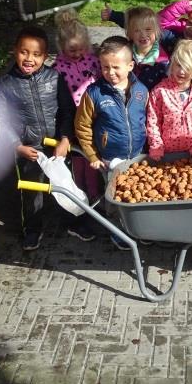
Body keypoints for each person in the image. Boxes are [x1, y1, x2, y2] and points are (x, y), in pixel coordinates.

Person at [0, 26, 76, 251]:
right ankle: (32, 229)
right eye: (24, 52)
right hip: (29, 149)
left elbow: (67, 111)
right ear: (15, 51)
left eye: (36, 54)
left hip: (57, 146)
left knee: (66, 184)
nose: (29, 58)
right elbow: (1, 121)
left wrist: (65, 138)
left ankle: (74, 220)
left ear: (45, 56)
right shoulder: (5, 85)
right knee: (32, 193)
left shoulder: (55, 78)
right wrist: (17, 146)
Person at [75, 36, 148, 250]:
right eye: (105, 67)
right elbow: (83, 126)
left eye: (116, 67)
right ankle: (119, 232)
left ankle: (140, 230)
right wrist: (92, 156)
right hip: (109, 158)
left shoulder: (141, 91)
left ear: (130, 65)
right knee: (114, 197)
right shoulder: (94, 93)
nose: (110, 72)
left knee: (139, 193)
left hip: (137, 156)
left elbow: (147, 119)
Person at [52, 8, 100, 240]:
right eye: (72, 50)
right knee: (81, 164)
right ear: (61, 47)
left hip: (96, 117)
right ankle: (83, 205)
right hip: (75, 121)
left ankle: (95, 201)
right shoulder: (58, 69)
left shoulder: (93, 60)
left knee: (95, 160)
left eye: (82, 48)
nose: (78, 54)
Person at [146, 40, 192, 161]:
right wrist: (156, 146)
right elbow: (153, 121)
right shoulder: (160, 91)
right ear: (172, 63)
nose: (182, 71)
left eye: (188, 67)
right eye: (178, 65)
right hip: (166, 153)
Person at [126, 6, 170, 89]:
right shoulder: (125, 53)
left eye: (148, 29)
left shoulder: (162, 62)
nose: (143, 35)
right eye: (137, 30)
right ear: (129, 33)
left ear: (156, 31)